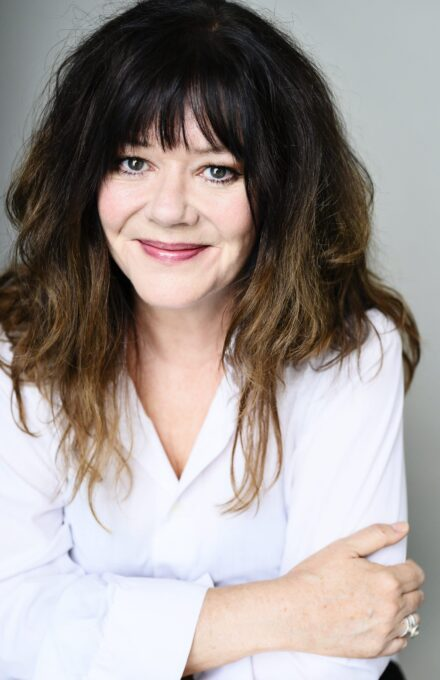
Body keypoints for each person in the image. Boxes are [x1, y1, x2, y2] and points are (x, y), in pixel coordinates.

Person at [0, 0, 425, 678]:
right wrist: (288, 611)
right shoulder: (20, 345)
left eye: (217, 170)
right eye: (132, 162)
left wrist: (105, 637)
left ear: (281, 189)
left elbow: (337, 662)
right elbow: (11, 624)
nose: (169, 210)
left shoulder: (352, 353)